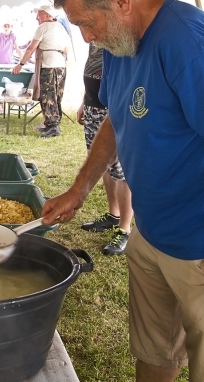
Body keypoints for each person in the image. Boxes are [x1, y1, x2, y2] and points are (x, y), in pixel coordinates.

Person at [41, 0, 204, 382]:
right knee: (155, 353)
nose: (88, 37)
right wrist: (79, 189)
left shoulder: (188, 44)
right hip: (150, 234)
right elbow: (116, 119)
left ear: (121, 1)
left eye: (87, 24)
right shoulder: (118, 41)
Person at [77, 43, 132, 255]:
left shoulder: (121, 36)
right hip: (93, 105)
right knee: (103, 166)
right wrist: (84, 101)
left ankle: (124, 228)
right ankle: (113, 214)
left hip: (114, 109)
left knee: (121, 172)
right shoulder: (94, 36)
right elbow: (93, 67)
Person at [12, 0, 70, 138]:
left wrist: (20, 64)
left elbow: (31, 48)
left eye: (38, 14)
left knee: (48, 95)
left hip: (49, 66)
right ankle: (54, 124)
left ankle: (52, 126)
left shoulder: (42, 27)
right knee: (57, 95)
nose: (37, 17)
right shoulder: (60, 27)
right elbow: (67, 49)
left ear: (45, 15)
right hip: (61, 65)